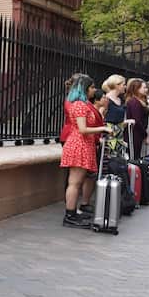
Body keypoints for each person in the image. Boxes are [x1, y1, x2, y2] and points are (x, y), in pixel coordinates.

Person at [60, 73, 110, 229]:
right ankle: (70, 215)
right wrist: (102, 128)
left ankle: (72, 213)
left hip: (81, 144)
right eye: (92, 87)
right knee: (74, 183)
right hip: (79, 144)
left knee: (76, 182)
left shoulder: (80, 104)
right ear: (85, 88)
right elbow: (82, 129)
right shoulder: (80, 105)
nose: (94, 90)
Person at [124, 78, 148, 159]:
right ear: (136, 89)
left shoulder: (138, 101)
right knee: (134, 156)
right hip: (135, 134)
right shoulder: (134, 102)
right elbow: (137, 120)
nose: (146, 89)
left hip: (138, 133)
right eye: (144, 88)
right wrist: (145, 134)